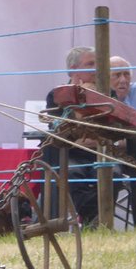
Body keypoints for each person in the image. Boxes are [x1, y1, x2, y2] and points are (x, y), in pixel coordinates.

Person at [43, 46, 109, 226]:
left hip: (102, 154)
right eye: (90, 64)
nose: (97, 68)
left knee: (112, 174)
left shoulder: (107, 94)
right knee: (73, 176)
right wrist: (82, 104)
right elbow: (60, 130)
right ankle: (92, 220)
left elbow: (110, 131)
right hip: (70, 156)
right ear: (73, 70)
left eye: (98, 63)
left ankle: (94, 221)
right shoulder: (56, 95)